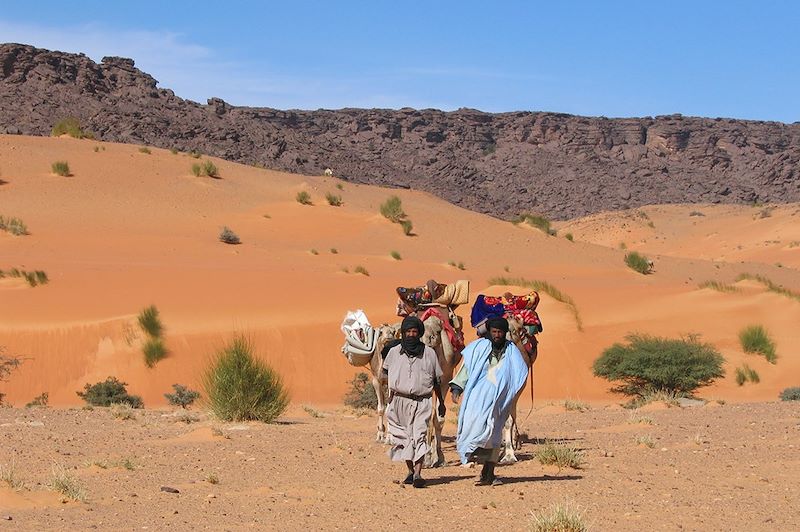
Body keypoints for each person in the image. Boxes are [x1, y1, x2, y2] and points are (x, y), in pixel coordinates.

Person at [450, 316, 528, 486]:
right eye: (494, 332)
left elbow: (520, 371)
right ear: (490, 332)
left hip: (499, 401)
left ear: (505, 333)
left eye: (500, 332)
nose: (497, 335)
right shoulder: (479, 348)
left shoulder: (511, 351)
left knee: (495, 434)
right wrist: (457, 387)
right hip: (476, 399)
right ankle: (479, 463)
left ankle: (489, 472)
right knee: (473, 427)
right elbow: (467, 368)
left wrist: (509, 392)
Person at [382, 315, 446, 488]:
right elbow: (385, 374)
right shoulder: (394, 353)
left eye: (414, 332)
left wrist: (441, 402)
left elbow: (436, 381)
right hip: (398, 402)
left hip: (422, 402)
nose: (411, 335)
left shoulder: (429, 353)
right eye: (408, 332)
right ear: (403, 333)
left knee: (419, 436)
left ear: (419, 334)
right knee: (403, 439)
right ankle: (410, 471)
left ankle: (418, 474)